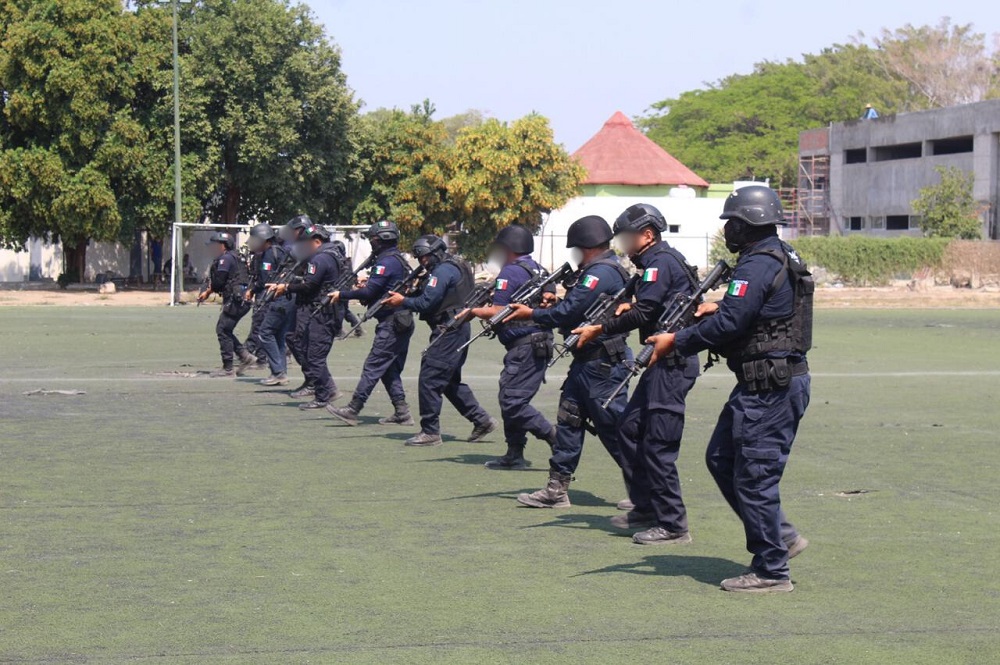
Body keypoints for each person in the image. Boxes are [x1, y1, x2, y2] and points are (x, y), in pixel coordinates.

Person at [646, 185, 813, 593]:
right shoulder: (775, 255)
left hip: (770, 386)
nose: (729, 230)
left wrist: (677, 342)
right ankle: (782, 537)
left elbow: (731, 326)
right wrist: (718, 306)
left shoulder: (758, 263)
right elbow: (758, 311)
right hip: (764, 382)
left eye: (733, 223)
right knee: (721, 458)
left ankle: (772, 569)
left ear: (751, 222)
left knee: (755, 476)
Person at [573, 204, 700, 543]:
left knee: (658, 442)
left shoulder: (659, 262)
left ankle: (673, 524)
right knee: (629, 428)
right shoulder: (655, 263)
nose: (623, 243)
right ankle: (645, 506)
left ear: (647, 235)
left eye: (628, 236)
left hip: (672, 360)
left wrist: (600, 328)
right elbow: (652, 304)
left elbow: (645, 312)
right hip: (661, 360)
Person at [504, 216, 632, 508]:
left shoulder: (600, 272)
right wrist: (554, 302)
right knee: (569, 421)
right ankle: (556, 489)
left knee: (614, 428)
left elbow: (570, 311)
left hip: (603, 365)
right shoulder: (600, 270)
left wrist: (532, 314)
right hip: (588, 363)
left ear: (585, 245)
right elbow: (573, 308)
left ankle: (646, 492)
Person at [381, 235, 497, 447]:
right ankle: (481, 420)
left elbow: (427, 302)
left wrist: (403, 300)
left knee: (430, 378)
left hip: (450, 328)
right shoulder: (454, 265)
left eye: (424, 257)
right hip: (454, 327)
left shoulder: (443, 270)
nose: (422, 261)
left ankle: (430, 431)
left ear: (435, 252)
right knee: (449, 381)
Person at [466, 225, 556, 469]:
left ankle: (554, 437)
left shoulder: (511, 272)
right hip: (537, 343)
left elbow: (499, 311)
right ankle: (514, 453)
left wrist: (472, 311)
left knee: (512, 401)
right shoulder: (538, 269)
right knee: (509, 396)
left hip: (525, 345)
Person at [325, 220, 416, 426]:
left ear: (380, 240)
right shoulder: (395, 259)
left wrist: (342, 294)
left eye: (373, 239)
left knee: (373, 365)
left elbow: (369, 292)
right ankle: (402, 412)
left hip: (393, 323)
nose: (371, 243)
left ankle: (354, 408)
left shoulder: (387, 262)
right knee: (389, 368)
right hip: (398, 320)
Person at [267, 222, 344, 410]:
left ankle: (323, 395)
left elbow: (309, 285)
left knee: (314, 355)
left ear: (317, 241)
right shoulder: (328, 256)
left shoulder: (321, 258)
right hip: (320, 310)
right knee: (307, 349)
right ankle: (325, 389)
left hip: (321, 312)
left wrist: (286, 287)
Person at [198, 232, 253, 377]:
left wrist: (210, 289)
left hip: (236, 300)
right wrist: (208, 291)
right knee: (225, 329)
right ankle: (244, 356)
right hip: (241, 299)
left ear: (223, 246)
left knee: (222, 329)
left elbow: (219, 282)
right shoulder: (234, 257)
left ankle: (229, 367)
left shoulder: (225, 259)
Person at [238, 223, 282, 374]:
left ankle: (251, 355)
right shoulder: (276, 251)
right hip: (275, 295)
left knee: (261, 328)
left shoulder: (270, 254)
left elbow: (265, 279)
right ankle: (265, 360)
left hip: (268, 296)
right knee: (268, 330)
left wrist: (253, 290)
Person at [330, 240, 364, 339]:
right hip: (344, 288)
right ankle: (357, 327)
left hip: (342, 289)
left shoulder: (342, 262)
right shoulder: (345, 261)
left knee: (340, 310)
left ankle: (339, 331)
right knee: (344, 310)